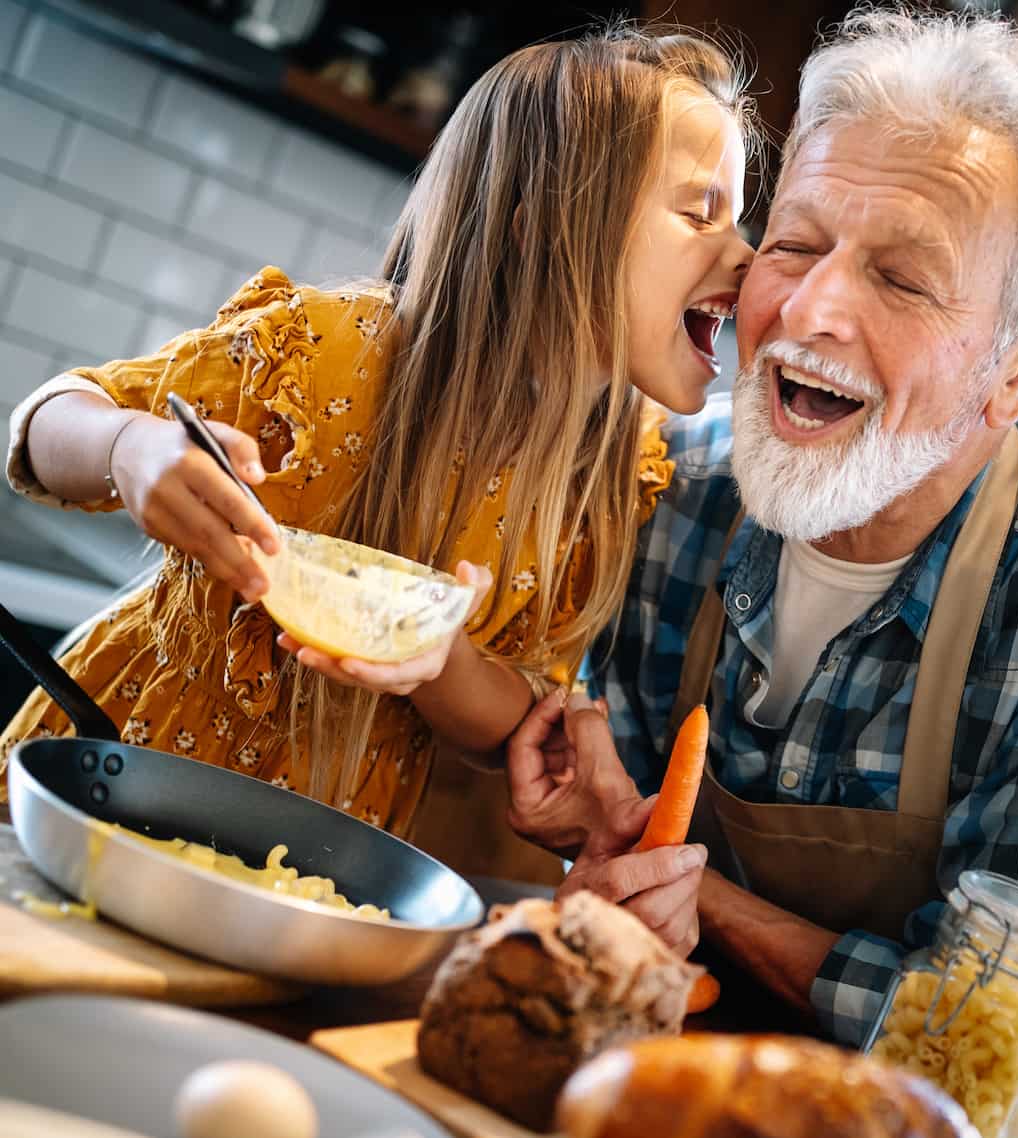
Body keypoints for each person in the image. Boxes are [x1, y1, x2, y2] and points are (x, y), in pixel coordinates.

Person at [505, 5, 1018, 1104]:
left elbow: (1000, 1053)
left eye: (900, 279)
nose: (811, 307)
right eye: (794, 243)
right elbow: (618, 868)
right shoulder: (677, 498)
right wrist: (597, 822)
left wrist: (714, 908)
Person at [1, 24, 754, 882]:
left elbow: (508, 723)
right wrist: (128, 446)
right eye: (702, 213)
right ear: (542, 231)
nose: (749, 253)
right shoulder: (325, 354)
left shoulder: (613, 474)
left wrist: (435, 659)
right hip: (98, 787)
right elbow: (40, 425)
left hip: (302, 874)